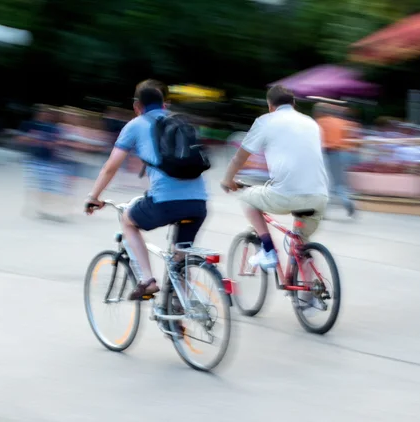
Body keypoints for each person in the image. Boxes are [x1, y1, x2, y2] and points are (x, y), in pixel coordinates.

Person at [85, 80, 208, 300]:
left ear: (137, 106)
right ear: (164, 104)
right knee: (181, 256)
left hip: (165, 202)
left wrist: (94, 197)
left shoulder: (136, 124)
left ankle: (147, 280)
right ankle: (183, 308)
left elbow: (110, 167)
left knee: (128, 221)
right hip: (198, 203)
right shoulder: (180, 122)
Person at [220, 85, 329, 270]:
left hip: (287, 194)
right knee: (301, 244)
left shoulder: (266, 121)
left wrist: (227, 179)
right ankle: (310, 296)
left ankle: (269, 250)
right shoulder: (311, 123)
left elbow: (240, 157)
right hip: (319, 196)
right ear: (294, 104)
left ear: (270, 106)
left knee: (247, 199)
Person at [316, 104, 356, 217]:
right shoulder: (341, 122)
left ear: (320, 112)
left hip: (325, 153)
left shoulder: (319, 122)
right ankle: (346, 201)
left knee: (325, 183)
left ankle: (322, 211)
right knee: (339, 182)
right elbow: (348, 138)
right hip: (340, 153)